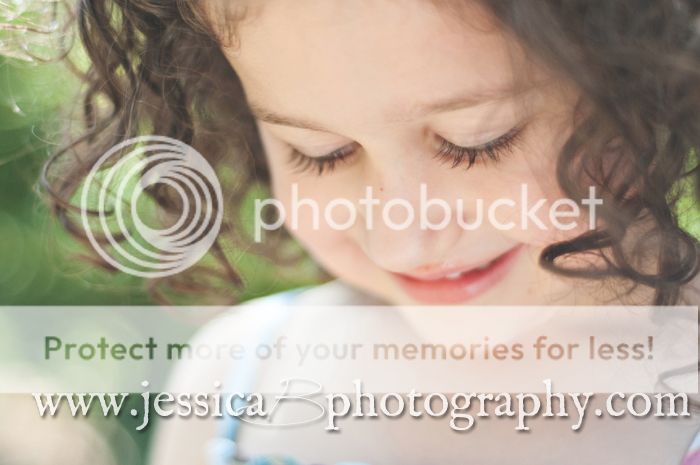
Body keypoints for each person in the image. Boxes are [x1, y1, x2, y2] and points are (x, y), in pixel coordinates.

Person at [45, 1, 700, 464]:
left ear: (640, 83)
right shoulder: (236, 383)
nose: (403, 240)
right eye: (320, 151)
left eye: (478, 142)